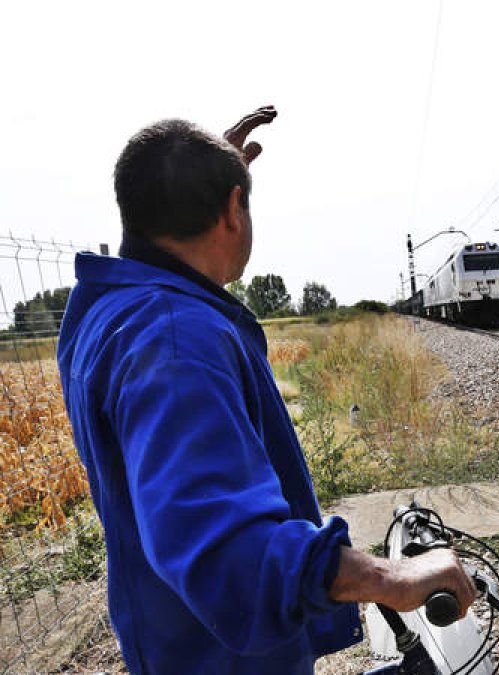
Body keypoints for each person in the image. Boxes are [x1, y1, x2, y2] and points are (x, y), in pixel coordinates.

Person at [57, 107, 476, 674]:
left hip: (171, 632)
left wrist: (204, 173)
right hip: (223, 656)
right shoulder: (177, 340)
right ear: (232, 211)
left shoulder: (108, 312)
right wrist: (388, 577)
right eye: (240, 203)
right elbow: (229, 552)